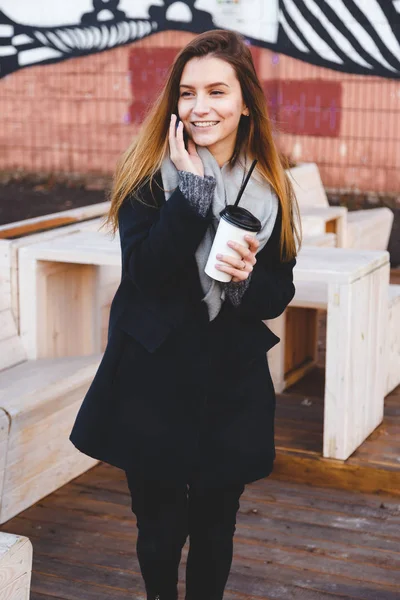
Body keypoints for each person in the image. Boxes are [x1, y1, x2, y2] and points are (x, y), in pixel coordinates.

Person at [69, 29, 300, 600]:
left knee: (217, 526)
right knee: (159, 528)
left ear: (245, 101)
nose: (201, 108)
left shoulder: (272, 190)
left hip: (231, 382)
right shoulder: (148, 176)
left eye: (217, 91)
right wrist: (193, 196)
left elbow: (279, 291)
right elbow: (146, 273)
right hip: (153, 375)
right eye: (188, 93)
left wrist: (246, 282)